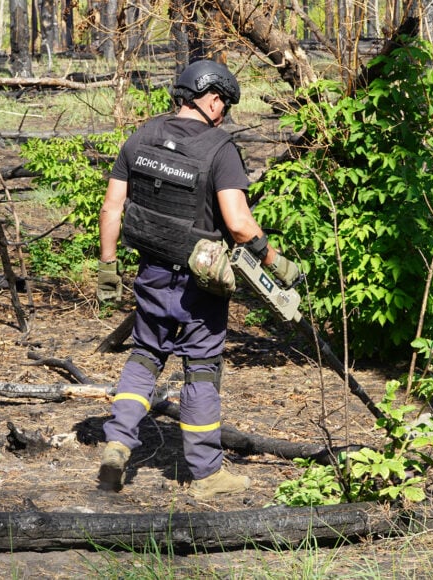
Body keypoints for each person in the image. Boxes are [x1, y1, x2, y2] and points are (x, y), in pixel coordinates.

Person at [95, 59, 302, 498]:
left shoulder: (141, 136)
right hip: (199, 285)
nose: (224, 112)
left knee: (146, 356)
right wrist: (274, 261)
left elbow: (112, 207)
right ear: (209, 98)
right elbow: (240, 224)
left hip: (150, 273)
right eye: (223, 103)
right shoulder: (219, 147)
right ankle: (207, 476)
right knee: (202, 371)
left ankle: (116, 445)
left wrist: (107, 266)